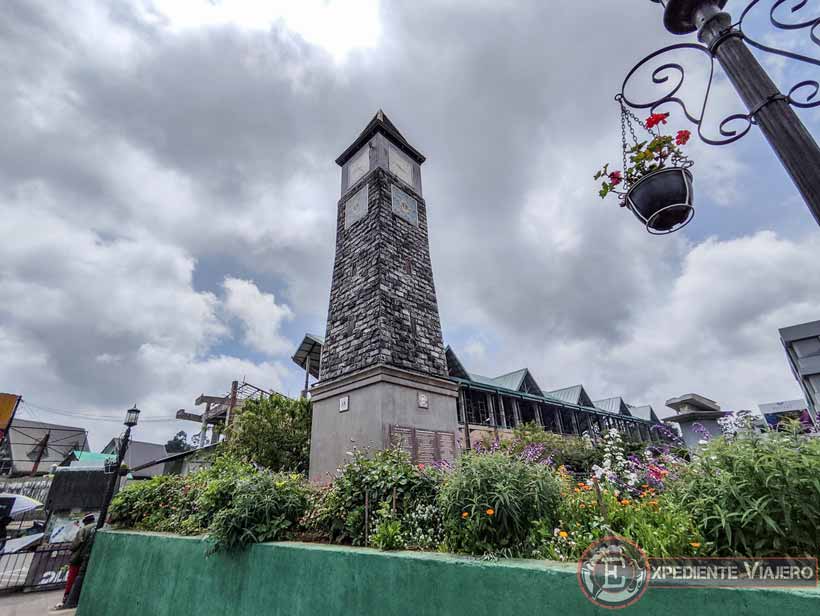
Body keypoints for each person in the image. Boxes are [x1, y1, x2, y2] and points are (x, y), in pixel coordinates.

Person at [57, 514, 96, 609]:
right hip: (88, 558)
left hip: (78, 558)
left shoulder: (84, 529)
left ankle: (67, 598)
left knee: (72, 578)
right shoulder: (97, 527)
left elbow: (75, 545)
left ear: (85, 521)